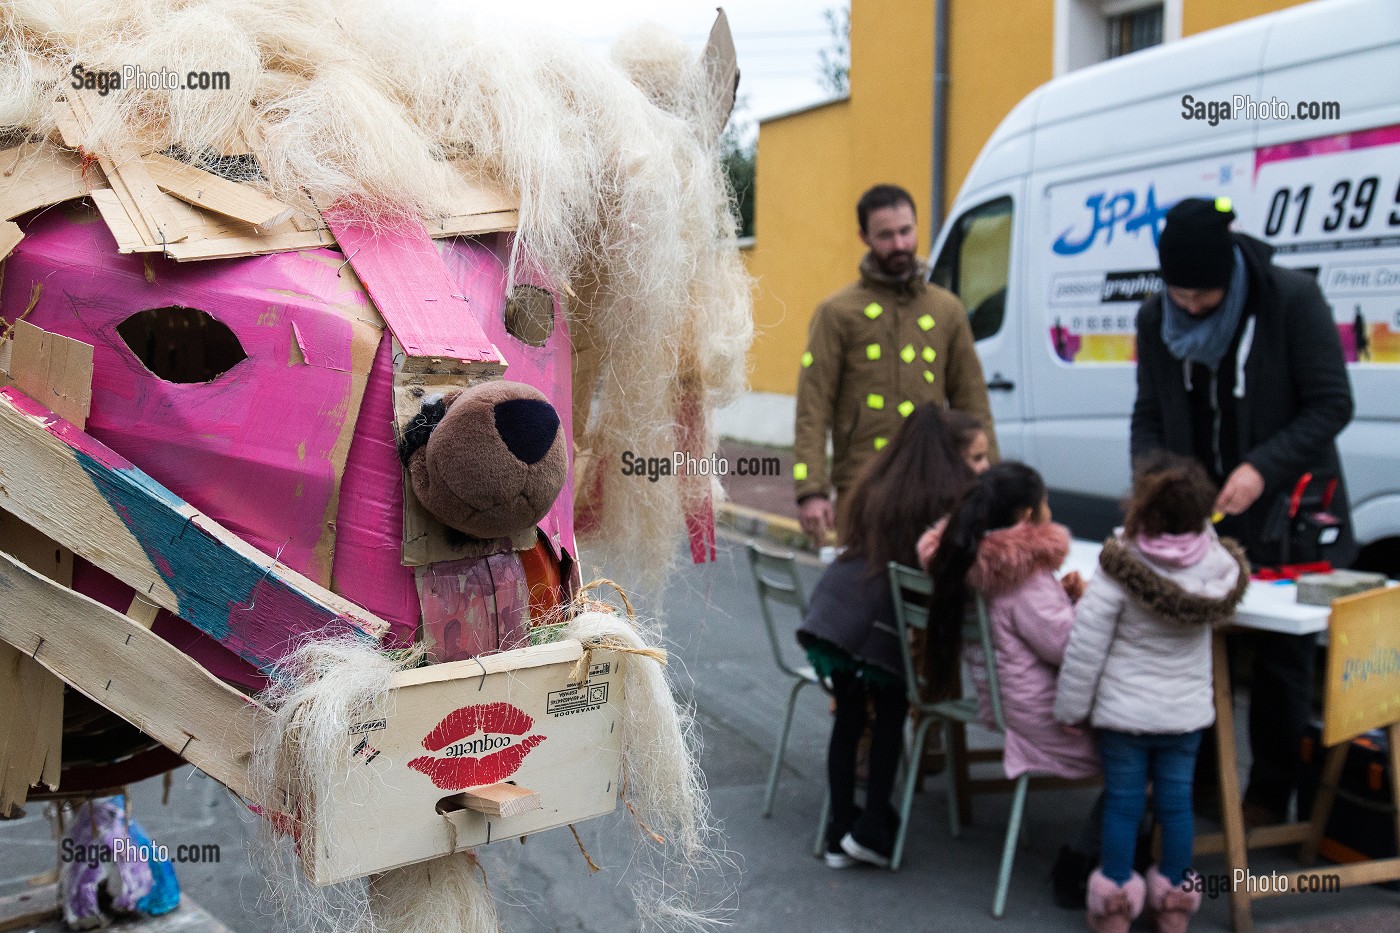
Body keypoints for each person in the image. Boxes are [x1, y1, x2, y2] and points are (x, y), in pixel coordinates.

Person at [1130, 197, 1355, 826]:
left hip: (1288, 508)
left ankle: (1267, 795)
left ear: (1228, 271)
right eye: (1181, 294)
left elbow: (1332, 404)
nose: (1192, 306)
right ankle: (1196, 786)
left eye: (1204, 294)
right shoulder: (1156, 318)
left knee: (1282, 661)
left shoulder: (1291, 301)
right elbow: (1149, 412)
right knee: (1194, 646)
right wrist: (1155, 483)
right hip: (1198, 516)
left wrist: (1261, 467)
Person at [1055, 455, 1250, 933]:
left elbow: (1086, 645)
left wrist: (1071, 708)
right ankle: (1175, 904)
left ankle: (1115, 904)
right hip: (1183, 718)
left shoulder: (1122, 563)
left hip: (1124, 717)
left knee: (1123, 804)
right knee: (1176, 805)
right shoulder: (1218, 566)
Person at [796, 404, 975, 869]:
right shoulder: (944, 496)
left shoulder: (875, 482)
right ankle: (873, 826)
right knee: (891, 715)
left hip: (835, 613)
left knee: (850, 718)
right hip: (876, 623)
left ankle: (840, 831)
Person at [925, 463, 1101, 890]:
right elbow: (1067, 646)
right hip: (1042, 713)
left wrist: (1062, 597)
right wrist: (1089, 602)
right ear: (1025, 516)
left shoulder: (969, 559)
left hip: (1006, 703)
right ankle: (1093, 864)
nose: (1050, 510)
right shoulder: (1023, 574)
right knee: (1139, 752)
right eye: (1044, 503)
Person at [794, 183, 997, 546]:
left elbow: (972, 402)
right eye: (886, 235)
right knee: (861, 594)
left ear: (918, 227)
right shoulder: (837, 312)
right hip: (862, 484)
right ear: (864, 237)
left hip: (934, 482)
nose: (900, 244)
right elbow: (813, 405)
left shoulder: (947, 309)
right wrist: (811, 489)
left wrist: (988, 480)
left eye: (906, 231)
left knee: (925, 595)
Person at [916, 408, 992, 569]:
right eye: (977, 458)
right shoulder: (955, 506)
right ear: (948, 460)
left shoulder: (905, 493)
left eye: (986, 457)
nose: (987, 466)